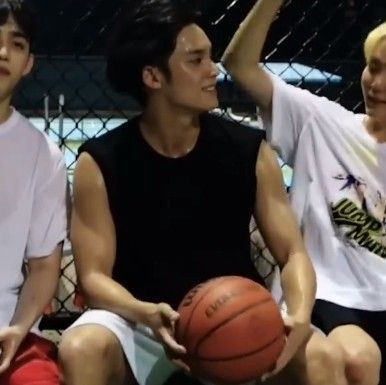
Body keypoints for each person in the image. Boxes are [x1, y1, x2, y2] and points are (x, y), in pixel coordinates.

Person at [58, 1, 347, 384]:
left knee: (320, 356)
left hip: (235, 318)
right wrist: (144, 311)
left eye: (211, 57)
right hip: (142, 321)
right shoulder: (101, 161)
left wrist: (297, 315)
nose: (214, 70)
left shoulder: (250, 150)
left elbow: (293, 253)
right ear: (153, 77)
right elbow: (93, 277)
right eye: (196, 60)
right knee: (82, 348)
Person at [222, 1, 385, 384]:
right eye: (373, 67)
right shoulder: (322, 122)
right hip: (329, 295)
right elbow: (240, 64)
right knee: (356, 357)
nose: (376, 85)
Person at [0, 1, 68, 385]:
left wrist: (19, 329)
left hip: (9, 327)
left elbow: (43, 267)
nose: (3, 52)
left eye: (17, 44)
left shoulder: (43, 155)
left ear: (27, 64)